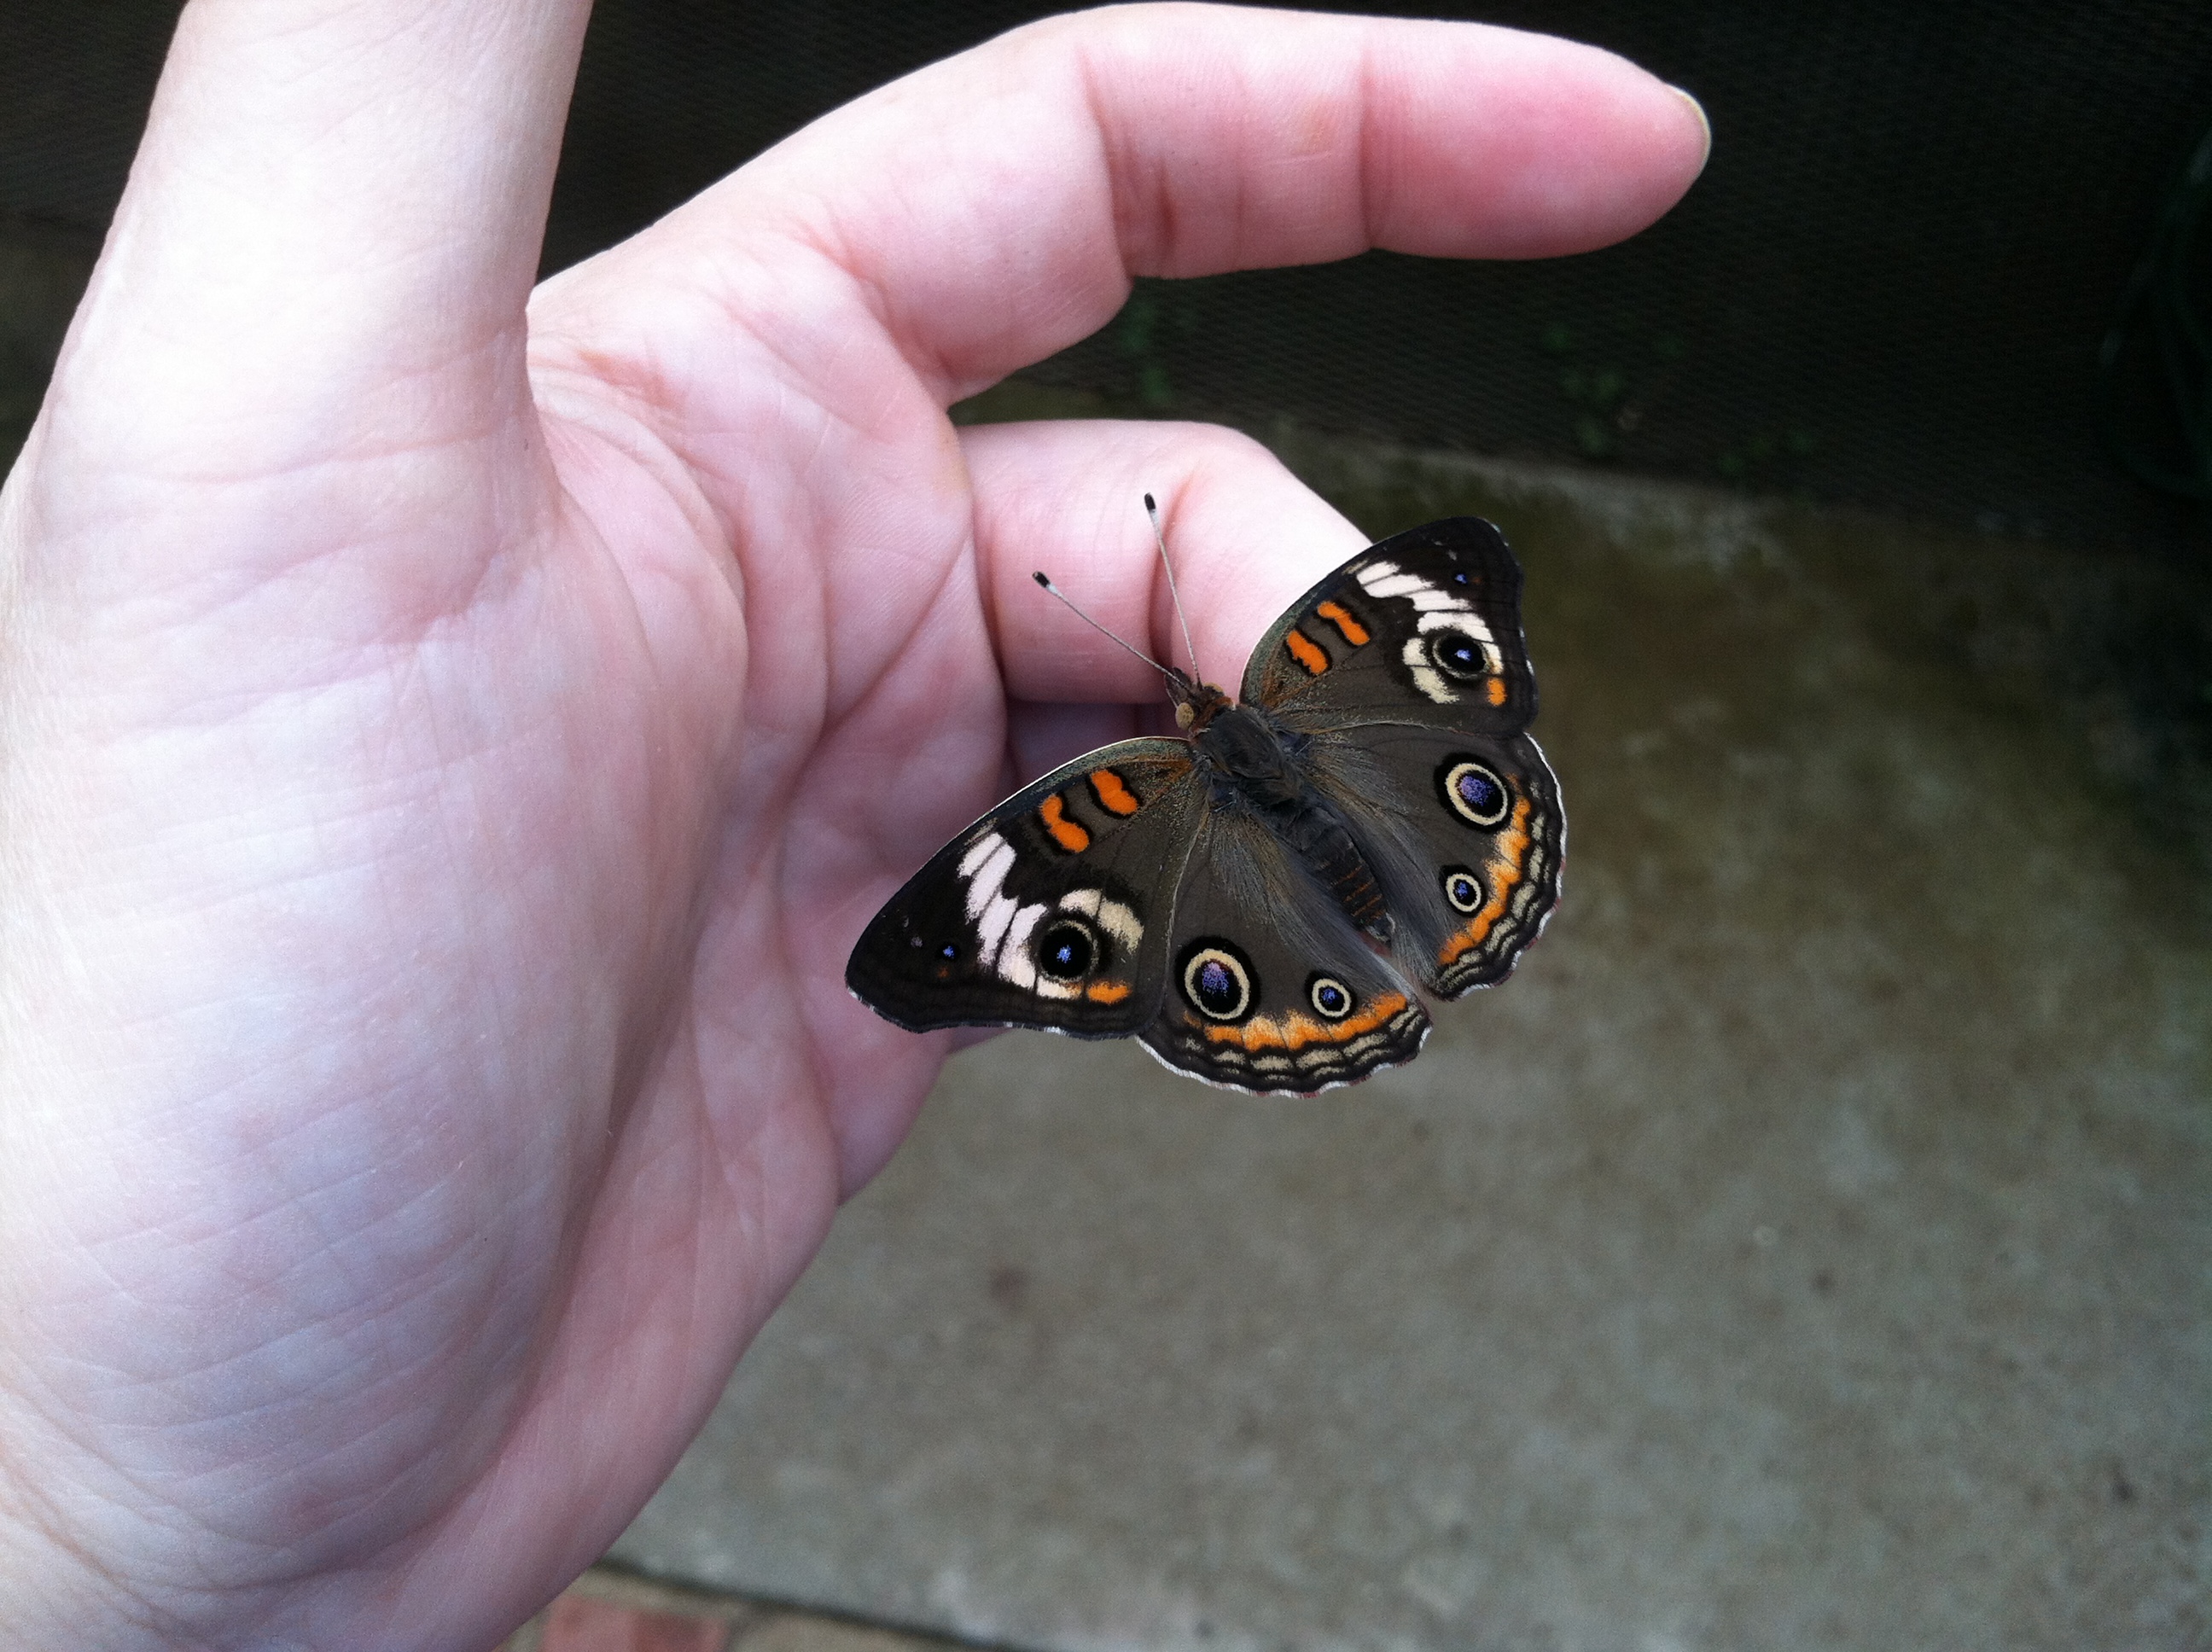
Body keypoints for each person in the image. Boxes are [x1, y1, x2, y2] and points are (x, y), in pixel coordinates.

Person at [0, 3, 1706, 1645]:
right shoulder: (1272, 691)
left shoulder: (1123, 797)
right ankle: (1434, 906)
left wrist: (94, 1547)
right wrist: (80, 1535)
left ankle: (1377, 952)